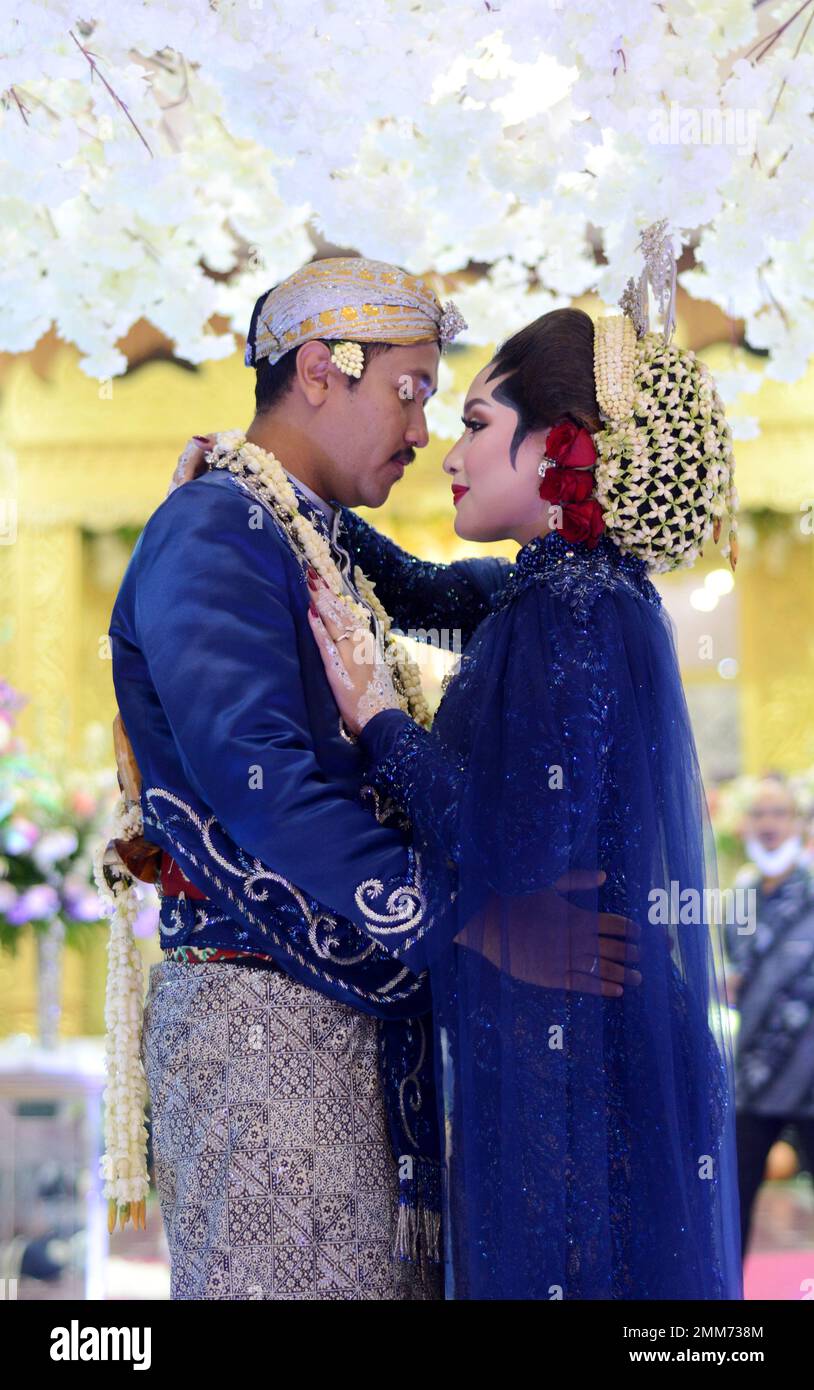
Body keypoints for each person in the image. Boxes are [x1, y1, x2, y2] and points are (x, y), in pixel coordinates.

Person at [101, 255, 637, 1301]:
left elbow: (437, 593)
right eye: (411, 390)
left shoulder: (304, 531)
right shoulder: (217, 529)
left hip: (350, 1014)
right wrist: (481, 921)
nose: (424, 429)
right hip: (267, 1024)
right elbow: (268, 789)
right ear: (317, 370)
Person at [306, 272, 745, 1297]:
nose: (448, 453)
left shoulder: (575, 609)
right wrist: (284, 488)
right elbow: (416, 588)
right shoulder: (556, 589)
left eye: (473, 421)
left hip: (573, 1064)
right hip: (574, 1032)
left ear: (559, 445)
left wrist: (376, 718)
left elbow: (512, 842)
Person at [725, 775, 814, 1251]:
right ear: (745, 825)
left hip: (811, 1076)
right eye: (759, 813)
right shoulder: (737, 897)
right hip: (752, 1082)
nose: (769, 824)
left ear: (798, 823)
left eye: (778, 813)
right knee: (731, 1207)